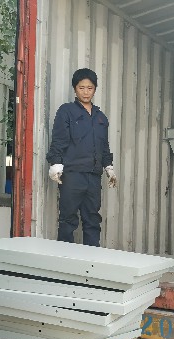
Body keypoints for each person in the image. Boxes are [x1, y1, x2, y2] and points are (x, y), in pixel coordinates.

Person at [46, 68, 117, 247]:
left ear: (95, 89)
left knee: (92, 219)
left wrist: (109, 167)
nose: (86, 92)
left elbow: (104, 145)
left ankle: (91, 259)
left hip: (93, 176)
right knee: (68, 218)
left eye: (90, 88)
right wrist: (55, 163)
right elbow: (59, 139)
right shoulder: (66, 111)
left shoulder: (101, 118)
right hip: (72, 174)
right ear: (75, 89)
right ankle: (64, 258)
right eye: (81, 88)